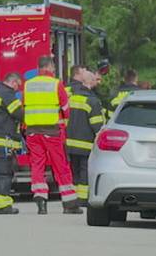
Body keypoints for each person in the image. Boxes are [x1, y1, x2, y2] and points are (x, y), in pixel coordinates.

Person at [22, 56, 76, 214]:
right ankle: (69, 204)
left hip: (32, 131)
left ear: (39, 68)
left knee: (37, 165)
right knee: (60, 165)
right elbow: (66, 108)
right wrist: (64, 127)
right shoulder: (56, 83)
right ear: (50, 67)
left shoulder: (28, 85)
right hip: (51, 131)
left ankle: (40, 201)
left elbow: (23, 106)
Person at [0, 72, 25, 215]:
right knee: (3, 173)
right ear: (13, 82)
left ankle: (0, 204)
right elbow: (19, 114)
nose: (17, 89)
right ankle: (3, 206)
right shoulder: (7, 94)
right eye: (17, 86)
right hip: (3, 140)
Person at [66, 66, 105, 209]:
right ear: (89, 82)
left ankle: (74, 197)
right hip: (85, 144)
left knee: (74, 171)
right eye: (95, 79)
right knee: (84, 172)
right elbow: (97, 126)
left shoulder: (72, 97)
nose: (97, 82)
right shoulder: (92, 101)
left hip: (69, 142)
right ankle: (82, 199)